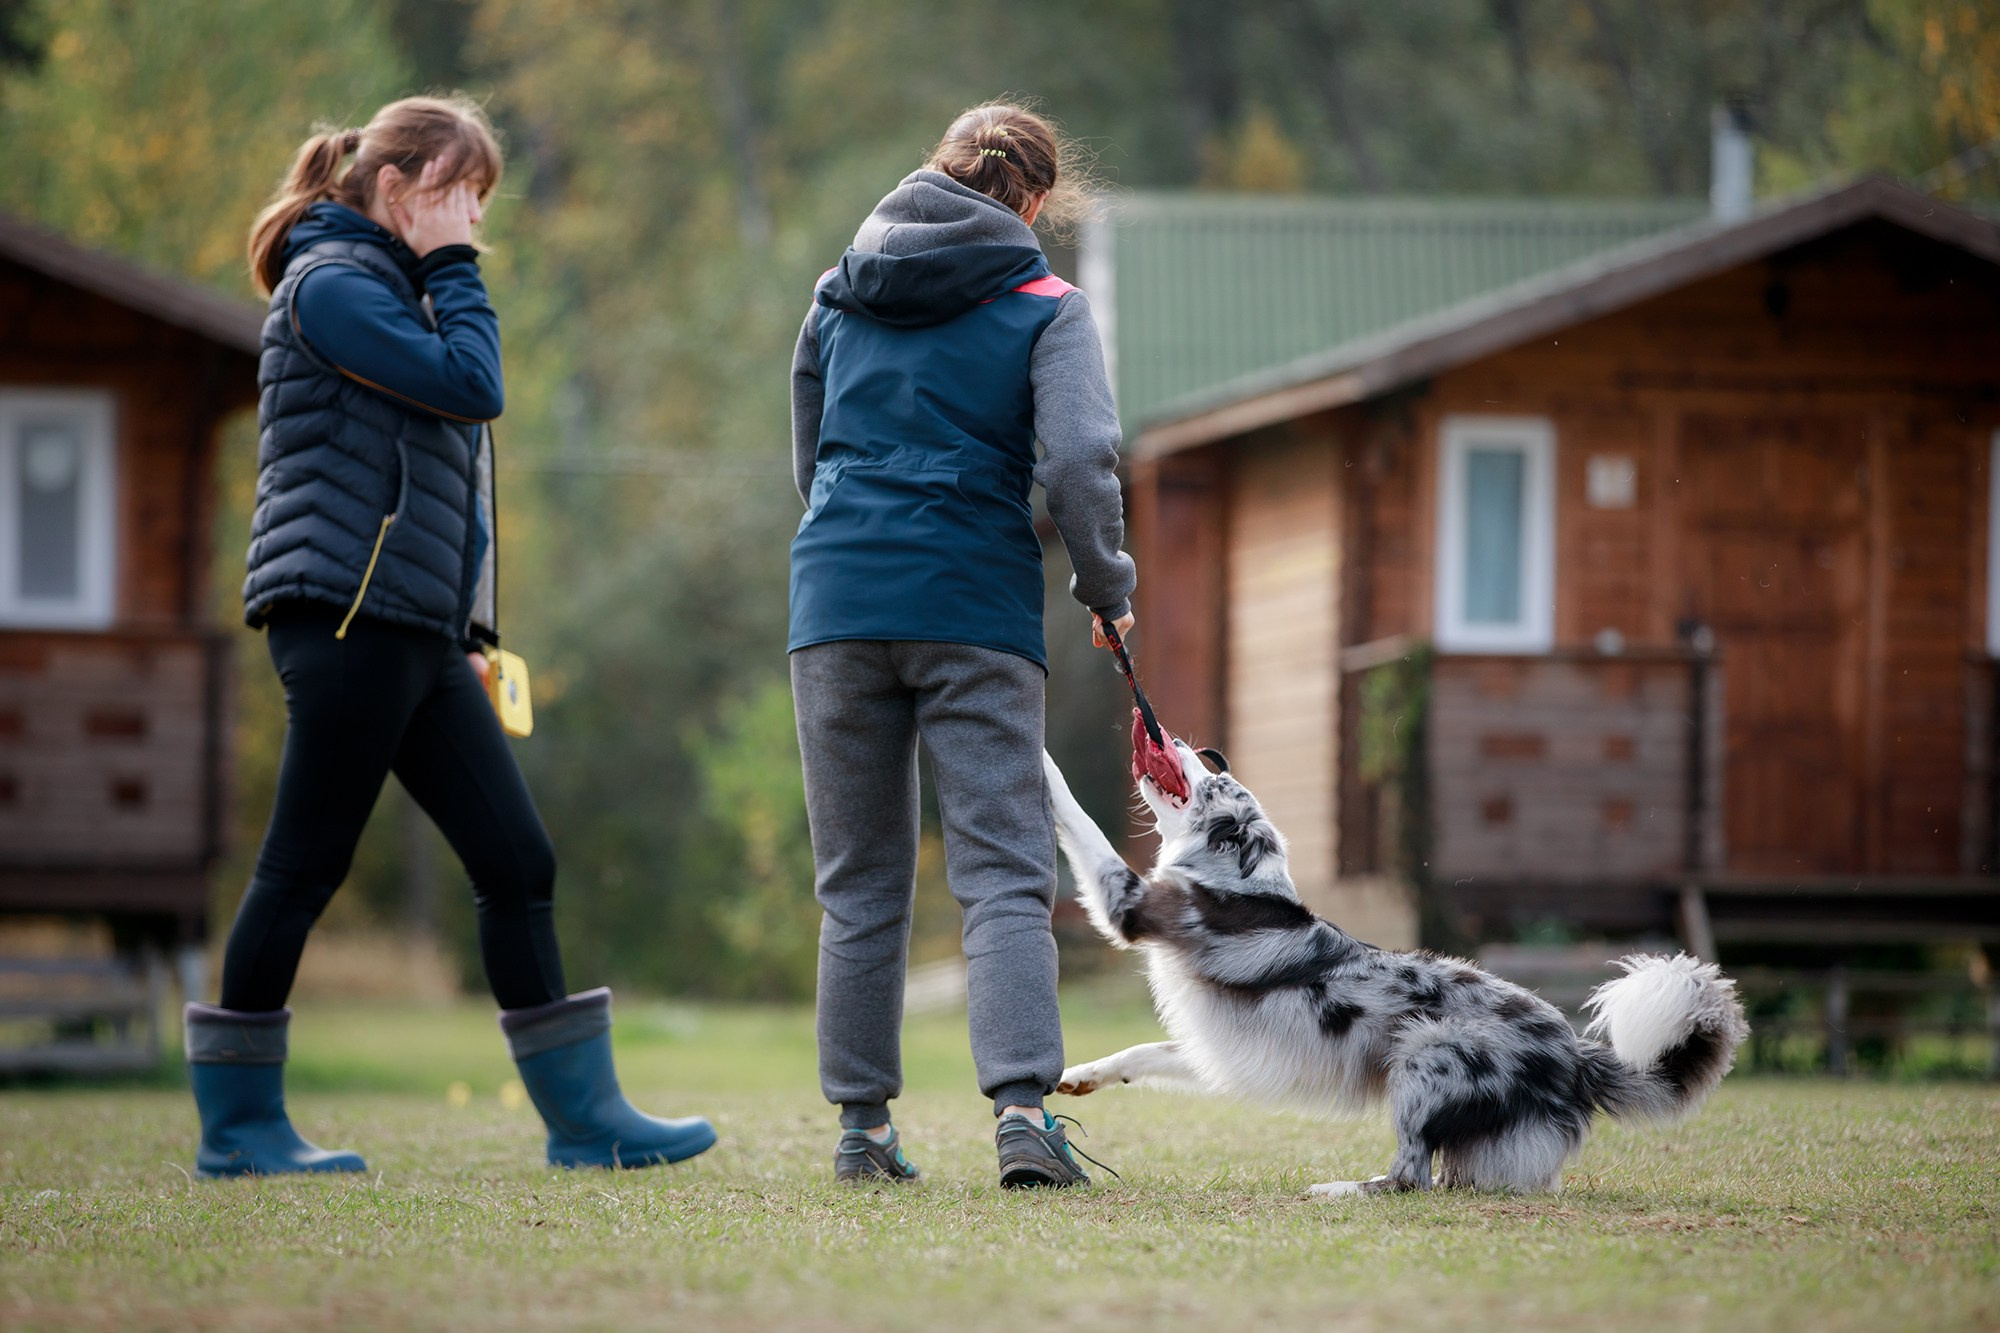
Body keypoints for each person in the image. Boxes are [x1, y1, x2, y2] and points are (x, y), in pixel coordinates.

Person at [185, 96, 714, 1178]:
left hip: (413, 627)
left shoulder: (386, 290)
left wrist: (466, 627)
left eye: (482, 197)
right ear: (395, 189)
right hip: (343, 616)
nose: (474, 219)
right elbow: (478, 390)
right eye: (457, 192)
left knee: (517, 859)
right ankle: (238, 1131)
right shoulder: (333, 287)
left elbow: (441, 480)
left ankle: (583, 1122)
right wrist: (453, 271)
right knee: (302, 865)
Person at [789, 102, 1137, 1187]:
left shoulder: (839, 286)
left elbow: (808, 438)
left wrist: (854, 539)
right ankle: (1023, 1118)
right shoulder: (1043, 300)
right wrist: (1102, 581)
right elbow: (1080, 459)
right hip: (972, 604)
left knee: (856, 881)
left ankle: (861, 1131)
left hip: (835, 595)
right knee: (999, 870)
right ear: (1033, 200)